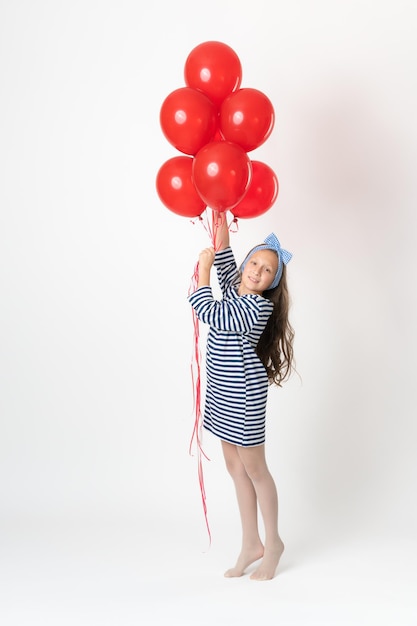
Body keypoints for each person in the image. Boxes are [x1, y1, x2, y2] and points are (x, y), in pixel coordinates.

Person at [188, 213, 295, 581]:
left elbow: (208, 310)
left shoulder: (255, 307)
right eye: (253, 262)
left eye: (266, 270)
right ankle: (251, 542)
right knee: (235, 468)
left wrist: (202, 271)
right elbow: (224, 255)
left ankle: (273, 542)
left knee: (254, 469)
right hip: (221, 392)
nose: (255, 271)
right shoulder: (237, 287)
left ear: (272, 283)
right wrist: (219, 212)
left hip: (243, 395)